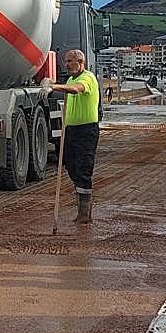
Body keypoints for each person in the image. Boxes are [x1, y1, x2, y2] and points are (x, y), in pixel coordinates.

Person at [44, 49, 100, 223]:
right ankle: (81, 194)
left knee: (84, 169)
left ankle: (84, 213)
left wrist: (53, 86)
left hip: (86, 130)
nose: (66, 64)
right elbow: (70, 86)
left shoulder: (87, 77)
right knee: (70, 165)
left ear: (80, 62)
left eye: (69, 61)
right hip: (71, 130)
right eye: (66, 61)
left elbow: (76, 90)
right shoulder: (70, 78)